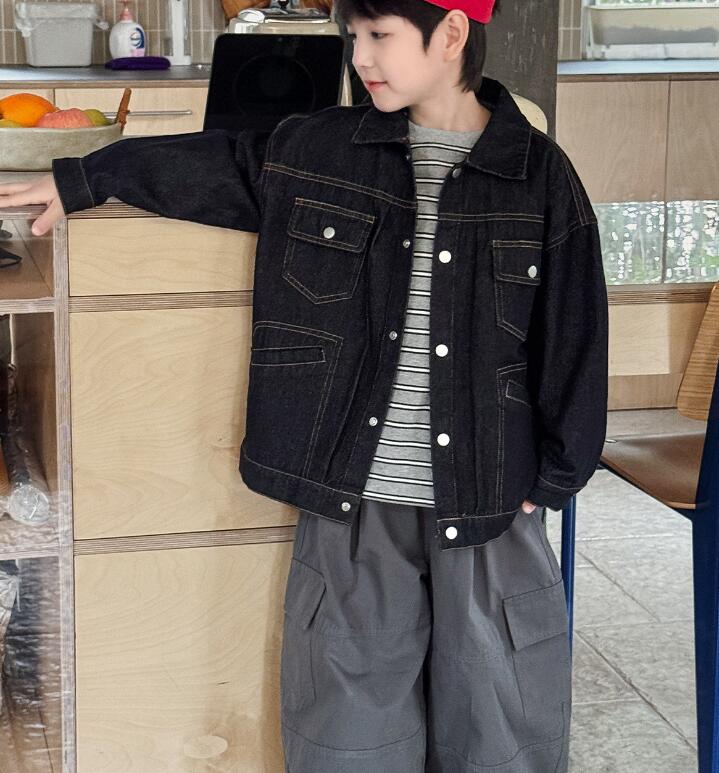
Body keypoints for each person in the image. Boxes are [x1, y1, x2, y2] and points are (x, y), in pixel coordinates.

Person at [0, 0, 608, 770]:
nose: (360, 57)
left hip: (489, 501)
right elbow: (218, 163)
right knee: (348, 734)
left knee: (500, 733)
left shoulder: (539, 175)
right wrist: (85, 178)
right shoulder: (319, 148)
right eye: (354, 37)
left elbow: (575, 332)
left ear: (452, 34)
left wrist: (557, 472)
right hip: (353, 503)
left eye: (379, 36)